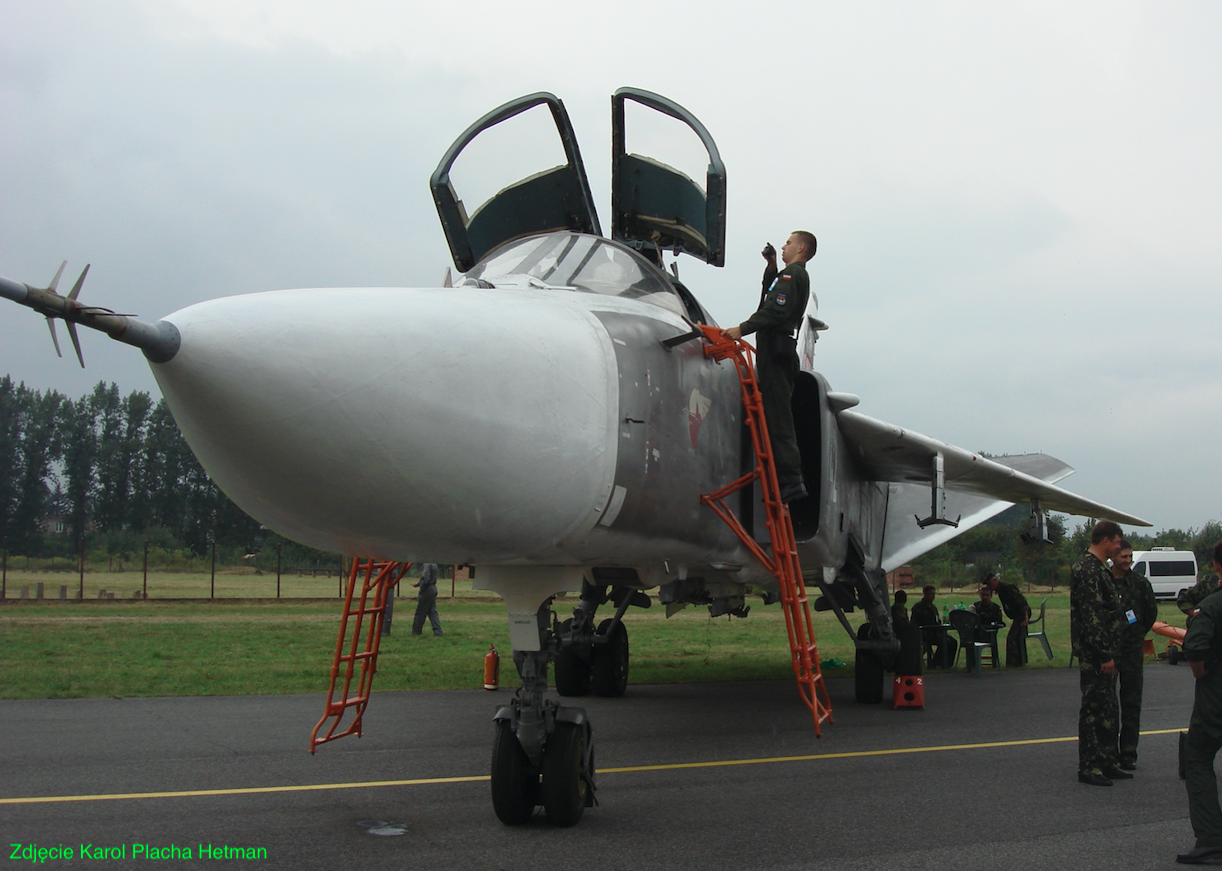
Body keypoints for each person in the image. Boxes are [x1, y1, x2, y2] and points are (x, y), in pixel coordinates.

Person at [723, 231, 815, 503]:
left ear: (800, 248)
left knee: (778, 420)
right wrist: (771, 268)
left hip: (776, 353)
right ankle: (786, 478)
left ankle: (791, 481)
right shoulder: (790, 275)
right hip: (776, 351)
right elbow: (772, 299)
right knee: (775, 416)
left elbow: (775, 310)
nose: (784, 246)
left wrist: (742, 329)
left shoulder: (793, 275)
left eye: (788, 242)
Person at [1070, 520, 1127, 786]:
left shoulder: (1098, 567)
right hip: (1095, 655)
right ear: (1106, 540)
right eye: (1117, 542)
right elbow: (1091, 616)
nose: (1118, 547)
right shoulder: (1088, 569)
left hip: (1105, 651)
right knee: (1093, 709)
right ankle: (1089, 766)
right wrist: (1103, 654)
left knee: (1107, 708)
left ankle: (1107, 761)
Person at [1178, 541, 1222, 865]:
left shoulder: (1211, 606)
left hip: (1216, 700)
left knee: (1197, 758)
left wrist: (1202, 670)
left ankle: (1210, 838)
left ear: (1217, 567)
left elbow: (1194, 647)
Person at [1110, 539, 1158, 770]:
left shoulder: (1140, 584)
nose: (1128, 561)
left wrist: (1137, 632)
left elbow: (1150, 612)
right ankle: (1108, 751)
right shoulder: (1104, 581)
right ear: (1113, 557)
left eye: (1130, 557)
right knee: (1108, 704)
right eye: (1123, 557)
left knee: (1131, 703)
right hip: (1108, 650)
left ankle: (1128, 752)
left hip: (1131, 651)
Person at [984, 573, 1032, 668]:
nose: (989, 587)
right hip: (1017, 615)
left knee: (1012, 637)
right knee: (1015, 637)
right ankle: (1019, 662)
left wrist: (1026, 618)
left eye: (990, 584)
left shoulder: (1007, 588)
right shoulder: (1000, 590)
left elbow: (1022, 602)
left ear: (995, 581)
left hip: (1021, 614)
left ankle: (1013, 664)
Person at [911, 584, 957, 668]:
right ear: (924, 593)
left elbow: (937, 620)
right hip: (925, 634)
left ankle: (947, 664)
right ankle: (934, 663)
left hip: (936, 632)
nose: (933, 596)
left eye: (933, 594)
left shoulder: (933, 607)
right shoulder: (918, 607)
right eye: (930, 594)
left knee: (953, 641)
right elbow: (915, 623)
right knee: (945, 642)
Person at [411, 563, 442, 636]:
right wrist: (418, 583)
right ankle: (437, 631)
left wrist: (422, 587)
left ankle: (416, 631)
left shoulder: (426, 565)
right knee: (432, 612)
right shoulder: (434, 564)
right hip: (433, 589)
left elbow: (426, 578)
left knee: (420, 611)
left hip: (427, 590)